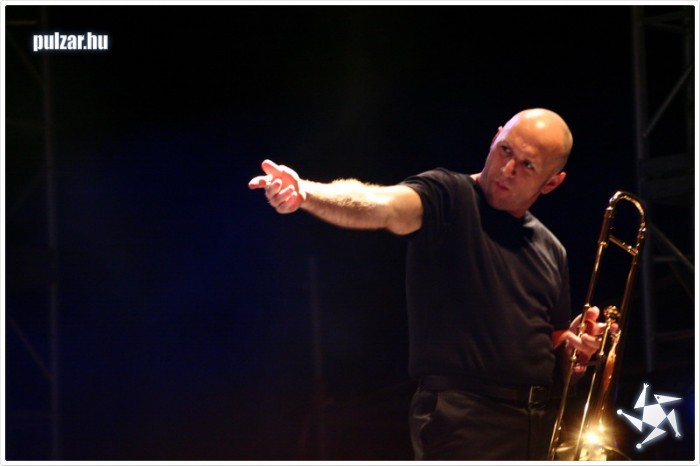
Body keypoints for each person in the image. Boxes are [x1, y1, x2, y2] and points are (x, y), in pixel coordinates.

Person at [248, 108, 606, 460]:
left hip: (538, 429)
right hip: (464, 420)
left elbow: (554, 345)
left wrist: (574, 349)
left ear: (552, 182)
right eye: (505, 149)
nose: (507, 169)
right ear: (496, 136)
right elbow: (380, 204)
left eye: (527, 165)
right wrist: (307, 192)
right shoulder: (447, 196)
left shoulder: (551, 249)